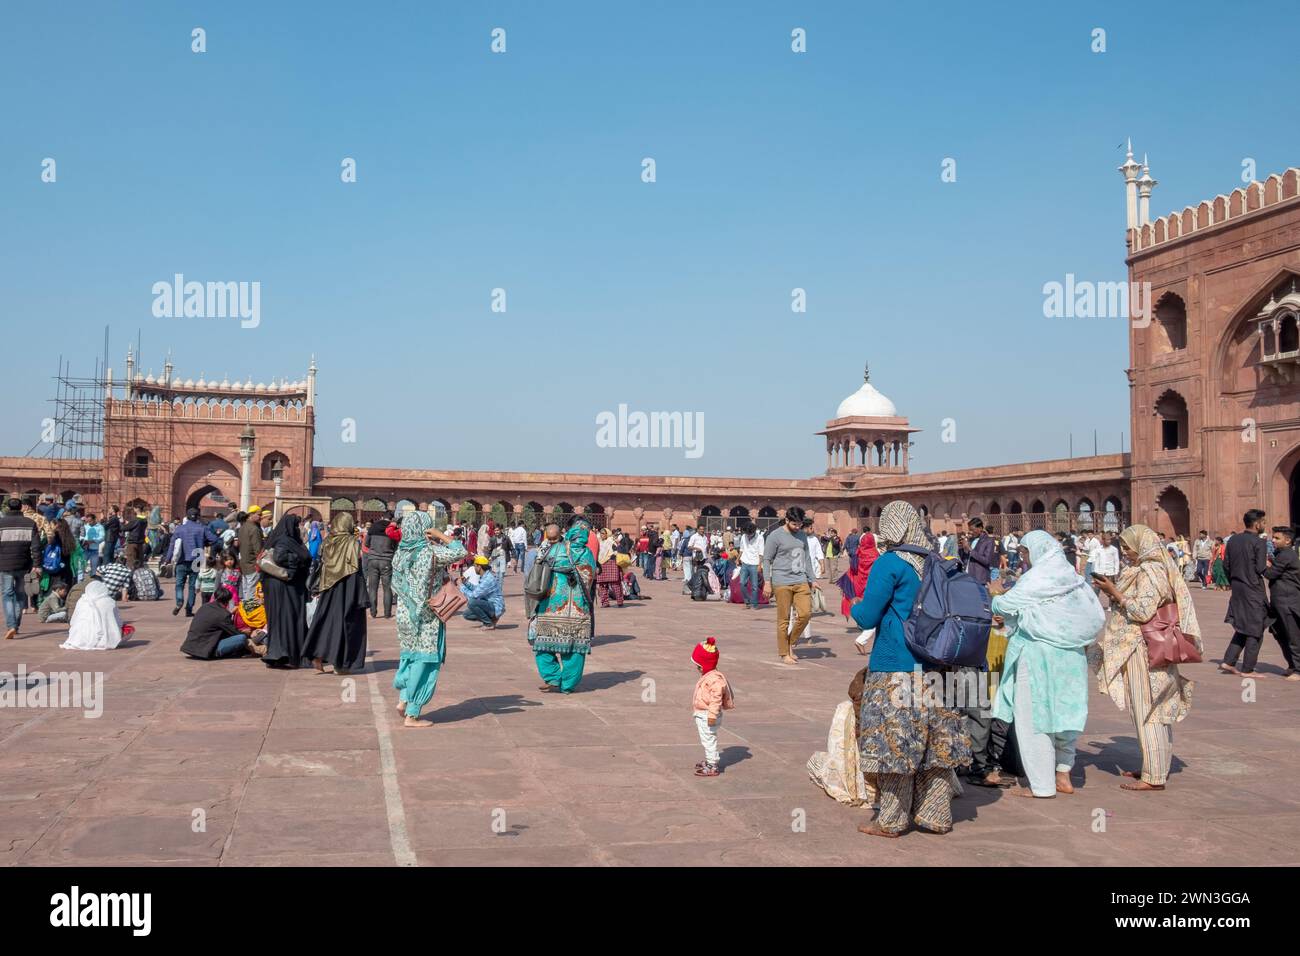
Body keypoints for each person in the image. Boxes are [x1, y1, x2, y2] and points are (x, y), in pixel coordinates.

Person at [849, 500, 972, 837]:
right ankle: (936, 814)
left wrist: (857, 608)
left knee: (896, 743)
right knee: (935, 746)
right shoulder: (937, 561)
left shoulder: (890, 563)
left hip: (897, 665)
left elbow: (868, 615)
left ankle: (891, 818)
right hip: (938, 666)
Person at [990, 530, 1104, 798]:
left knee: (1035, 718)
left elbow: (1006, 604)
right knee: (1065, 714)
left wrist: (995, 596)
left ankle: (1041, 786)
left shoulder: (1037, 578)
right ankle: (1063, 773)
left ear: (1038, 551)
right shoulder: (1074, 579)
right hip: (1071, 656)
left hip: (1039, 655)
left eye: (1025, 553)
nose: (1024, 558)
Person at [1091, 525, 1202, 791]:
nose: (1126, 552)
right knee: (1155, 707)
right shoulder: (1153, 568)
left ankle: (1153, 777)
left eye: (1129, 547)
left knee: (1146, 709)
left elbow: (1142, 611)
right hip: (1151, 646)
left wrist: (1113, 592)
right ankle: (1155, 767)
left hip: (1143, 648)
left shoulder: (1150, 570)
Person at [391, 510, 466, 727]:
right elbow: (460, 551)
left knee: (410, 657)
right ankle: (412, 713)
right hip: (428, 617)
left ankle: (404, 698)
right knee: (426, 662)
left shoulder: (400, 553)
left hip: (405, 615)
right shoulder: (433, 552)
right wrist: (440, 535)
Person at [530, 517, 597, 694]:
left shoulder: (555, 548)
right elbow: (590, 577)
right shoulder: (588, 554)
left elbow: (537, 564)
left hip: (551, 604)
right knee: (575, 650)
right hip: (578, 607)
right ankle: (568, 684)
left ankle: (552, 678)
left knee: (543, 644)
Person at [304, 512, 370, 674]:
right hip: (348, 587)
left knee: (325, 620)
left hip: (328, 586)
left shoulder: (328, 541)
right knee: (347, 623)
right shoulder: (351, 542)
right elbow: (356, 567)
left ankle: (317, 655)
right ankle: (340, 664)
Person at [762, 507, 818, 664]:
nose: (797, 527)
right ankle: (784, 653)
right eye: (794, 524)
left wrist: (812, 579)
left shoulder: (801, 535)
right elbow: (766, 559)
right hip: (781, 581)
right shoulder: (775, 536)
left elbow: (806, 558)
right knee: (784, 620)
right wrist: (767, 581)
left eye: (800, 524)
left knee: (806, 614)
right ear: (786, 520)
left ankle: (789, 642)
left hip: (800, 580)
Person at [1221, 509, 1268, 675]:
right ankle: (1248, 668)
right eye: (1263, 522)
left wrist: (1234, 580)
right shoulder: (1259, 542)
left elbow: (1226, 565)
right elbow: (1261, 568)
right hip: (1253, 588)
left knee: (1243, 625)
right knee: (1256, 628)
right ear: (1257, 524)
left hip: (1238, 587)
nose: (1264, 525)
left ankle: (1228, 661)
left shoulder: (1233, 539)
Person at [260, 514, 311, 669]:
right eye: (296, 526)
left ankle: (282, 653)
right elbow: (280, 556)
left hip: (280, 585)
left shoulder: (282, 539)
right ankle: (284, 654)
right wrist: (297, 562)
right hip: (284, 586)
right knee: (287, 618)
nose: (298, 529)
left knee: (283, 618)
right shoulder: (285, 540)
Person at [690, 637, 735, 777]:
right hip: (704, 713)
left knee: (709, 739)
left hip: (707, 715)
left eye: (698, 665)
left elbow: (716, 699)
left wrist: (711, 715)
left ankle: (712, 764)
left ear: (704, 665)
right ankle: (711, 760)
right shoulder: (710, 675)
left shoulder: (714, 679)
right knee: (708, 738)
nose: (697, 668)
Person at [1, 497, 42, 640]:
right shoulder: (30, 523)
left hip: (4, 564)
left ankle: (11, 625)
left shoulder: (1, 523)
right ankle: (15, 625)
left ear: (8, 508)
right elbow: (36, 547)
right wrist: (37, 565)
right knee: (20, 595)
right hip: (24, 564)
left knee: (7, 594)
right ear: (21, 508)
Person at [1263, 525, 1300, 680]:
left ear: (1287, 540)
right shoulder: (1281, 553)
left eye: (1277, 538)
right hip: (1281, 601)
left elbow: (1271, 574)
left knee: (1293, 636)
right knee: (1280, 634)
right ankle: (1292, 665)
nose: (1273, 540)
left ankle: (1298, 669)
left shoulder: (1286, 555)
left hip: (1288, 601)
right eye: (1273, 537)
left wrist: (1263, 565)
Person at [180, 588, 259, 660]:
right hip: (205, 650)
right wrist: (246, 633)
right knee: (241, 638)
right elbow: (235, 633)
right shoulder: (223, 614)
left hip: (190, 647)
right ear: (227, 601)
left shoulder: (204, 606)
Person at [170, 508, 219, 618]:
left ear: (186, 516)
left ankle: (179, 602)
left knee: (179, 584)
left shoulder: (179, 529)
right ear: (197, 516)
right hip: (196, 560)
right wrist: (205, 542)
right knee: (192, 586)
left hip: (182, 560)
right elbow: (215, 539)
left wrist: (168, 558)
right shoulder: (202, 528)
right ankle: (189, 609)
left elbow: (172, 544)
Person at [841, 531, 879, 654]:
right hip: (873, 589)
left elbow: (852, 570)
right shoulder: (877, 555)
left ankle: (863, 632)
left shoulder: (858, 555)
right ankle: (862, 639)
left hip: (859, 587)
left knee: (869, 614)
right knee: (878, 615)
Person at [59, 580, 124, 651]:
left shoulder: (83, 600)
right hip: (106, 637)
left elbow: (75, 619)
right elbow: (117, 620)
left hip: (81, 637)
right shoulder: (110, 602)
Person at [364, 513, 397, 618]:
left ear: (382, 517)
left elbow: (366, 544)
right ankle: (387, 614)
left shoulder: (373, 527)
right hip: (387, 560)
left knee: (373, 587)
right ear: (391, 519)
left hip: (373, 559)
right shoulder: (392, 528)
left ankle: (373, 613)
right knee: (387, 588)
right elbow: (396, 546)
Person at [461, 554, 505, 628]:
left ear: (479, 567)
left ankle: (488, 623)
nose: (474, 568)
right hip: (489, 604)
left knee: (472, 602)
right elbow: (477, 589)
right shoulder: (485, 576)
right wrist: (466, 583)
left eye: (475, 566)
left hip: (495, 606)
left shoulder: (488, 579)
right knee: (467, 614)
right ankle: (491, 619)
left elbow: (474, 595)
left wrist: (462, 589)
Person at [237, 506, 264, 601]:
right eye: (259, 514)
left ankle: (244, 613)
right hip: (253, 565)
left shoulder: (243, 527)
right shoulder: (254, 529)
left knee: (246, 591)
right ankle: (250, 614)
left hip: (244, 564)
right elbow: (258, 550)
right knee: (252, 593)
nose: (261, 517)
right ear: (251, 514)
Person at [737, 522, 764, 610]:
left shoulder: (760, 538)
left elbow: (761, 552)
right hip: (745, 562)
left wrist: (760, 565)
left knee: (754, 586)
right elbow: (741, 549)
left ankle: (754, 604)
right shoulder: (744, 537)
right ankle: (747, 600)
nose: (748, 535)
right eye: (746, 534)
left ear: (754, 531)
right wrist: (738, 558)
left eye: (749, 534)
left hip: (754, 564)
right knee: (742, 583)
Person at [595, 528, 624, 608]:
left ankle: (620, 601)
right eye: (601, 533)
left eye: (603, 533)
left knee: (615, 584)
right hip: (601, 564)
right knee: (602, 585)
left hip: (611, 563)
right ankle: (605, 603)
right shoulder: (599, 543)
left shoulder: (611, 542)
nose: (602, 535)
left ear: (607, 534)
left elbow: (617, 551)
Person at [965, 517, 995, 586]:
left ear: (980, 528)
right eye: (969, 530)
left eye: (973, 530)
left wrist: (970, 549)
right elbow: (966, 557)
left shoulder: (989, 541)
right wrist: (962, 548)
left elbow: (986, 560)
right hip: (968, 576)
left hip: (979, 578)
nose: (971, 532)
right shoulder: (971, 539)